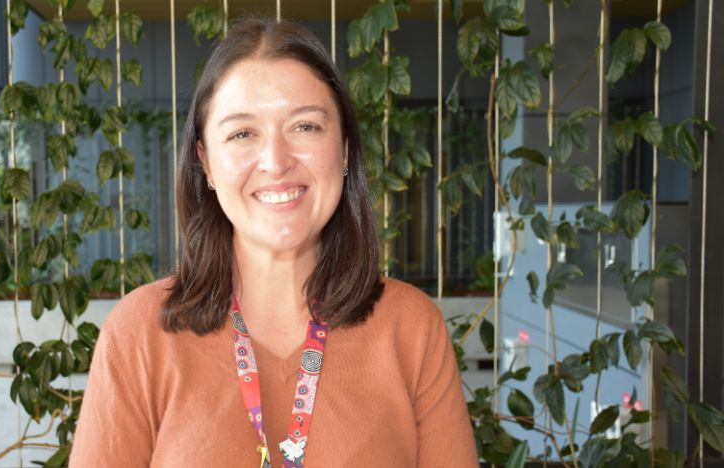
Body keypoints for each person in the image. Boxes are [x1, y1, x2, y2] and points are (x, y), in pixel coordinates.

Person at [70, 16, 478, 467]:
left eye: (305, 127)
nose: (275, 161)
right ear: (206, 162)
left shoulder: (412, 329)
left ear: (343, 149)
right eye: (243, 133)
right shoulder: (140, 335)